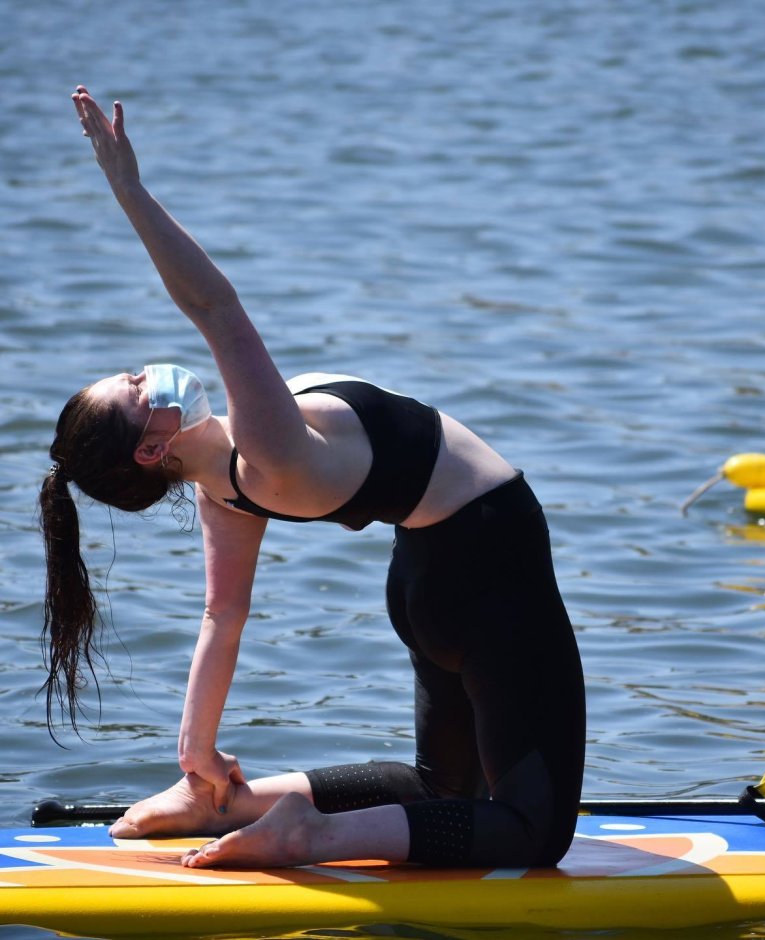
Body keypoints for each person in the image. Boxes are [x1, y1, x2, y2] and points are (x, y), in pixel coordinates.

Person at [39, 86, 585, 871]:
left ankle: (230, 802)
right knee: (537, 830)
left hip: (428, 580)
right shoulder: (262, 448)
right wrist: (128, 187)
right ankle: (307, 834)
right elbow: (215, 306)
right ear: (152, 450)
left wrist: (197, 755)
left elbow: (221, 617)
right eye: (134, 387)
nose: (145, 372)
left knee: (440, 788)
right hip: (490, 565)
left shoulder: (223, 485)